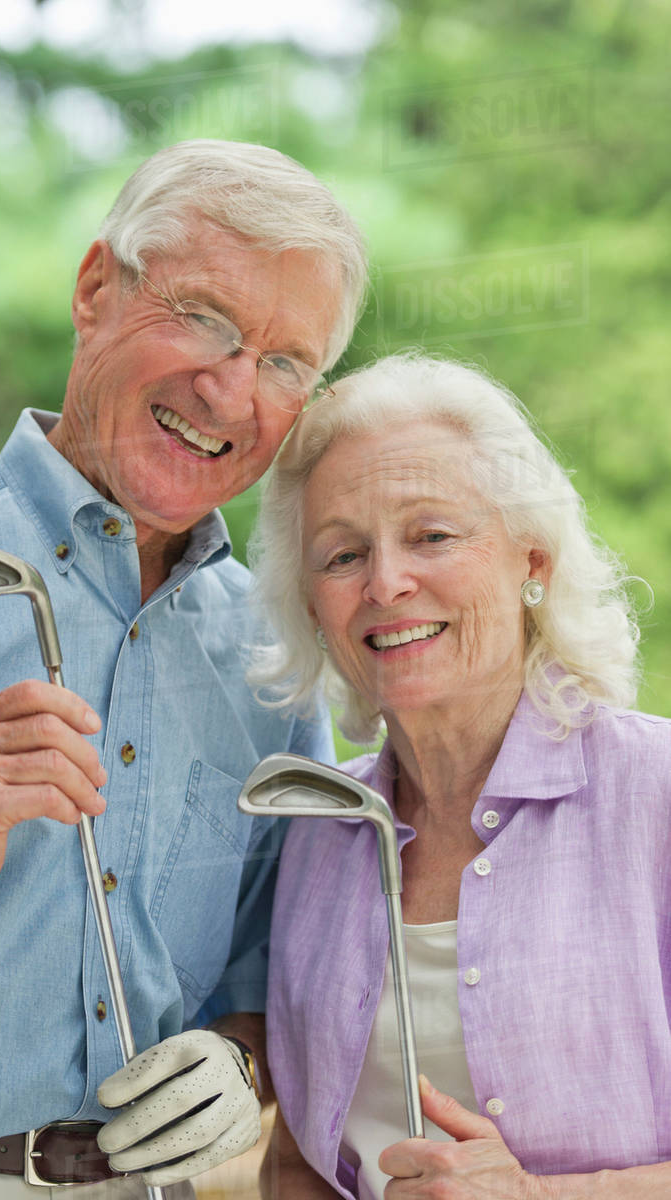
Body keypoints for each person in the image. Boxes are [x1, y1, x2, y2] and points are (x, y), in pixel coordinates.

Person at [0, 139, 367, 1197]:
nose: (230, 390)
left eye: (285, 363)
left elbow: (273, 976)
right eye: (205, 318)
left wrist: (241, 1062)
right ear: (95, 289)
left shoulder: (273, 654)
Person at [248, 353, 671, 1199]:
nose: (386, 582)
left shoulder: (655, 792)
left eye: (432, 536)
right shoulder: (313, 836)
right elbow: (296, 1163)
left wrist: (539, 1198)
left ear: (532, 562)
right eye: (342, 555)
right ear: (313, 607)